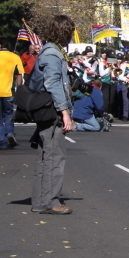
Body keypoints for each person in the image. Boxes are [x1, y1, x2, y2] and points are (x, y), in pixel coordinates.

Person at [30, 15, 76, 215]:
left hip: (48, 110)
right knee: (54, 157)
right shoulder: (51, 54)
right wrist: (64, 112)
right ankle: (50, 201)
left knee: (45, 156)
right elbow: (53, 84)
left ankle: (41, 201)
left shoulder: (52, 51)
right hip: (51, 112)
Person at [0, 38, 25, 149]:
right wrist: (19, 88)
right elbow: (19, 74)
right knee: (8, 114)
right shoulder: (15, 57)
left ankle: (2, 141)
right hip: (8, 91)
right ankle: (9, 133)